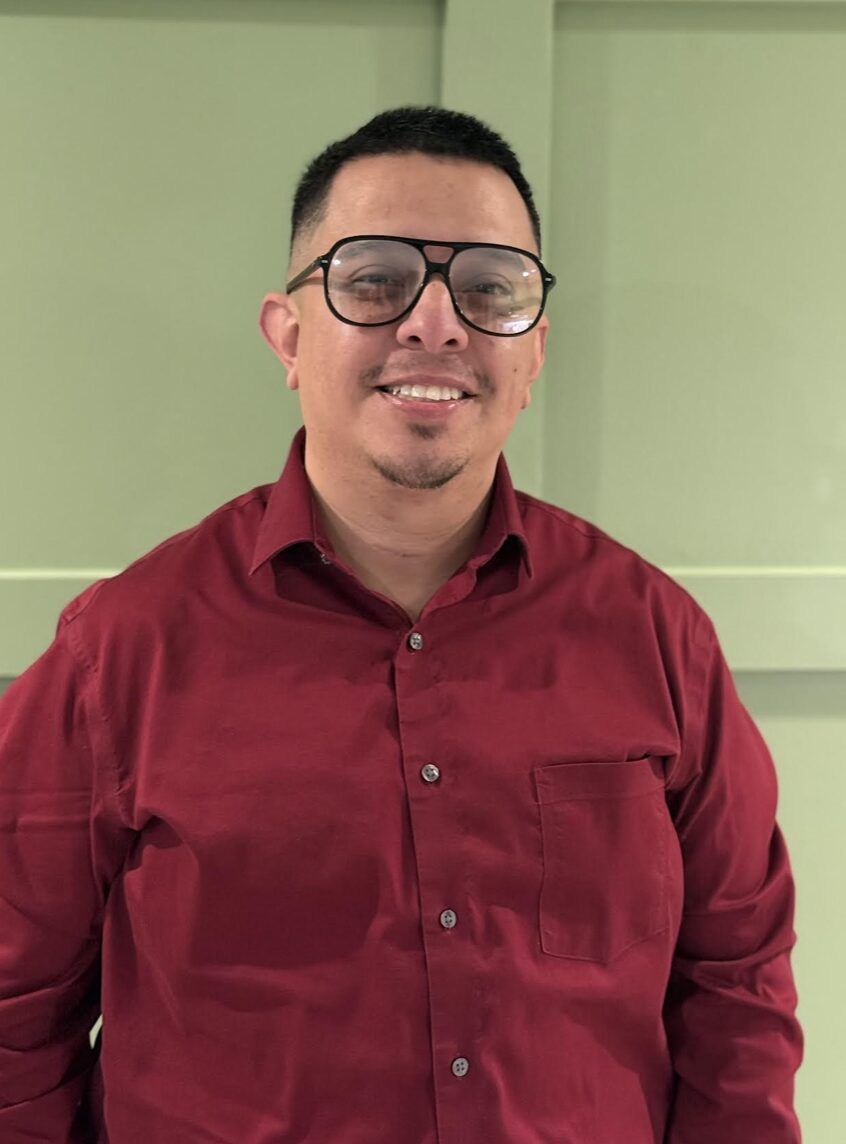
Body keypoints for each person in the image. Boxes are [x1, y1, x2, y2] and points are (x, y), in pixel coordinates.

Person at [0, 105, 802, 1143]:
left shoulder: (656, 637)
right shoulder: (121, 652)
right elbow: (14, 1014)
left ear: (536, 349)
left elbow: (736, 991)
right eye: (374, 281)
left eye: (490, 289)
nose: (437, 324)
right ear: (287, 336)